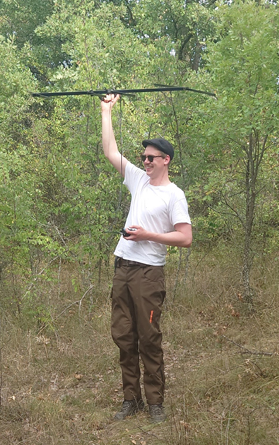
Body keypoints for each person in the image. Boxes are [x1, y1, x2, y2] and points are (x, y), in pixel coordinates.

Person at [100, 93, 193, 423]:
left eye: (152, 157)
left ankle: (155, 403)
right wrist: (106, 110)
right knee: (124, 336)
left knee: (149, 338)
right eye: (143, 157)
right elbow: (110, 151)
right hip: (123, 268)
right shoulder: (137, 180)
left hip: (149, 273)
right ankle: (131, 399)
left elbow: (185, 237)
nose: (145, 162)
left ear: (166, 159)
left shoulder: (174, 195)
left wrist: (147, 235)